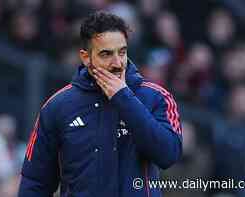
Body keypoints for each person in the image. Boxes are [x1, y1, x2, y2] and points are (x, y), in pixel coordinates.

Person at [18, 11, 182, 197]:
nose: (117, 63)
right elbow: (35, 181)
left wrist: (123, 97)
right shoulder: (57, 106)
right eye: (106, 54)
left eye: (122, 52)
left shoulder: (155, 97)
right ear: (86, 57)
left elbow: (168, 154)